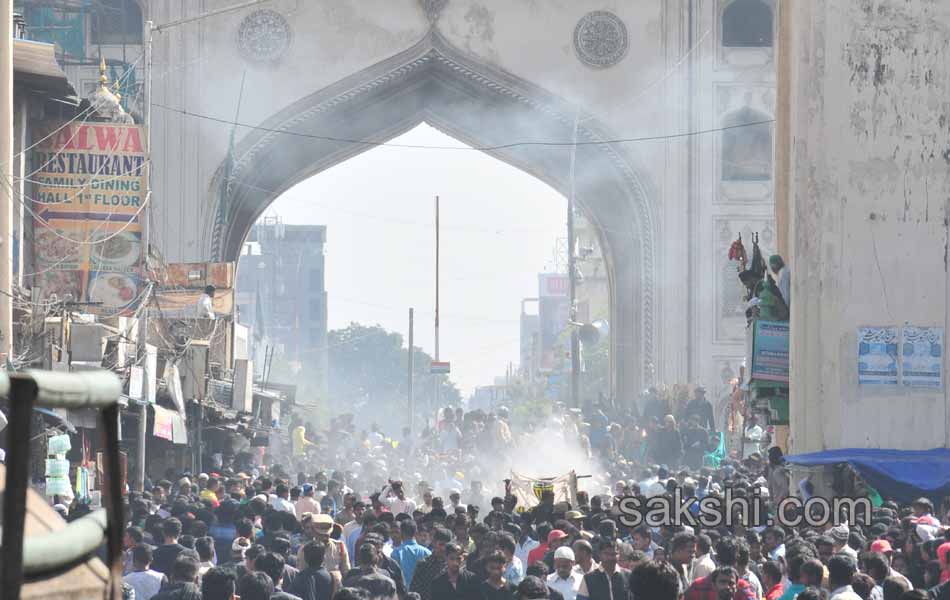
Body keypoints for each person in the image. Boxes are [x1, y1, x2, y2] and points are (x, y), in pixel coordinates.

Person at [391, 519, 431, 587]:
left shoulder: (396, 552)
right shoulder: (427, 552)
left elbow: (394, 576)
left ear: (401, 532)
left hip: (403, 593)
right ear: (416, 532)